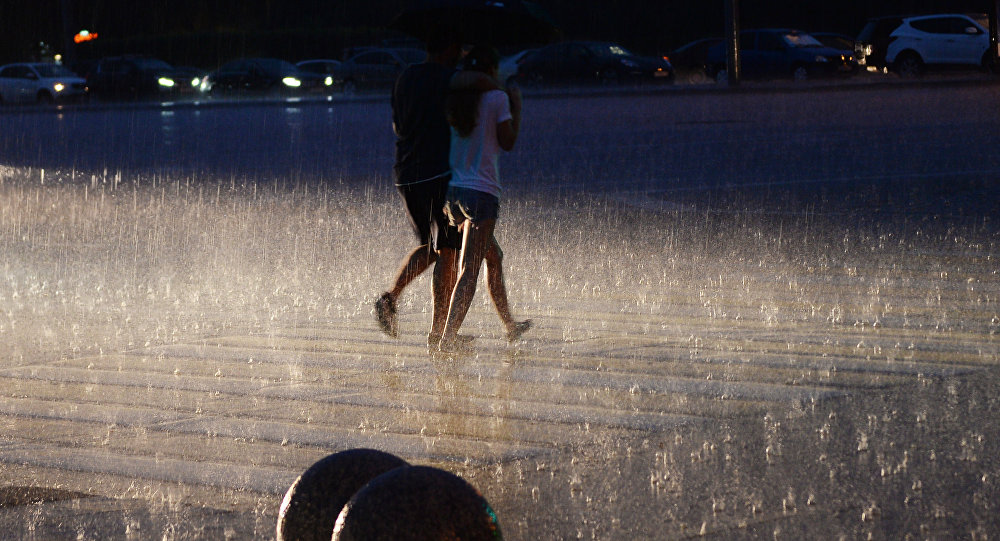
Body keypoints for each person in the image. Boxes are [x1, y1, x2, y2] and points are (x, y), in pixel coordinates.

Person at [375, 30, 495, 350]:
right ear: (451, 48)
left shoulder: (404, 77)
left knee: (432, 245)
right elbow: (482, 87)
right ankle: (440, 334)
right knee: (448, 251)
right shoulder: (449, 78)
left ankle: (390, 298)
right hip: (437, 173)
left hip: (405, 172)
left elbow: (398, 126)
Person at [438, 46, 532, 353]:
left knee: (494, 257)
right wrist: (516, 108)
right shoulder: (497, 98)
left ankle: (509, 325)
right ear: (490, 72)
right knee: (470, 269)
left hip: (454, 194)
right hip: (482, 194)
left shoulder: (456, 101)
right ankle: (447, 338)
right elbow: (508, 142)